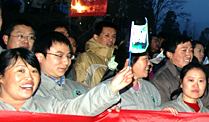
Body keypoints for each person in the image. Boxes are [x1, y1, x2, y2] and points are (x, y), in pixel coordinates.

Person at [0, 47, 132, 114]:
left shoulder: (47, 106)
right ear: (1, 76)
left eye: (34, 71)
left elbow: (78, 108)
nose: (29, 78)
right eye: (21, 71)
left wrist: (111, 88)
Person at [100, 44, 161, 110]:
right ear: (130, 62)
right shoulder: (109, 91)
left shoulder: (150, 88)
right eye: (145, 59)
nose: (149, 63)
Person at [31, 32, 89, 100]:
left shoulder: (80, 88)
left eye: (68, 56)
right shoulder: (31, 91)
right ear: (39, 57)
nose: (66, 62)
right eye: (59, 56)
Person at [74, 20, 117, 87]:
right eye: (107, 35)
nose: (111, 39)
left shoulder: (115, 59)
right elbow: (79, 84)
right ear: (96, 37)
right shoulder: (86, 58)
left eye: (113, 36)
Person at [151, 35, 192, 104]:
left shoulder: (193, 73)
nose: (189, 55)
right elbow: (163, 108)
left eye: (191, 50)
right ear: (169, 54)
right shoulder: (160, 79)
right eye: (184, 50)